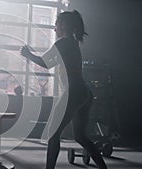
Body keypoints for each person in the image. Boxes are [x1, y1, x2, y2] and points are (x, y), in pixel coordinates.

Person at [20, 10, 108, 169]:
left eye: (56, 25)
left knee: (53, 135)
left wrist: (27, 54)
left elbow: (45, 63)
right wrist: (31, 56)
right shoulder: (72, 42)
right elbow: (50, 63)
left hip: (73, 93)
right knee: (80, 136)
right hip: (84, 93)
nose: (54, 29)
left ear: (64, 25)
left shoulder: (63, 43)